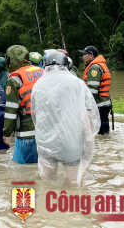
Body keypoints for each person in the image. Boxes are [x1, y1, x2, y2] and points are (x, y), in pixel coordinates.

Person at [32, 51, 100, 185]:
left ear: (46, 66)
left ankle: (46, 205)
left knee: (48, 182)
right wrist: (89, 141)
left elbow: (35, 115)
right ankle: (72, 204)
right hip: (71, 140)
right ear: (66, 65)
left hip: (46, 140)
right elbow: (87, 115)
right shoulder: (77, 83)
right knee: (73, 183)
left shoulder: (38, 85)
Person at [2, 45, 44, 164]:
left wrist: (6, 132)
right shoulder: (42, 72)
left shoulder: (14, 79)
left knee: (23, 173)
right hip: (47, 131)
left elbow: (11, 110)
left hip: (27, 133)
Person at [80, 46, 112, 134]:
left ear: (91, 56)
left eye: (84, 54)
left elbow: (92, 90)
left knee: (101, 132)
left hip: (99, 105)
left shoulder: (94, 68)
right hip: (103, 103)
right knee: (104, 131)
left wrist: (88, 106)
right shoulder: (98, 66)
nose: (83, 57)